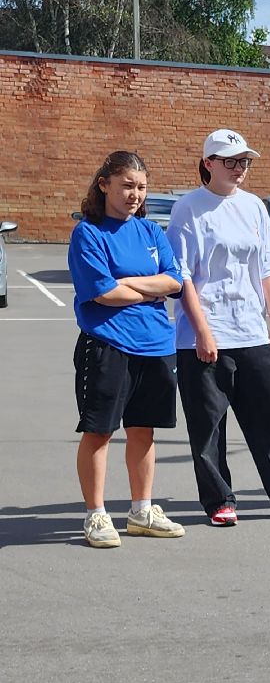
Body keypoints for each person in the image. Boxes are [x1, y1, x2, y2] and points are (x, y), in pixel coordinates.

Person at [167, 129, 270, 525]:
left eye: (244, 162)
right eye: (230, 162)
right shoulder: (188, 209)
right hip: (202, 337)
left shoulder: (255, 206)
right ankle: (219, 501)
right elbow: (183, 276)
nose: (239, 169)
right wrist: (203, 331)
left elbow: (266, 269)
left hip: (250, 332)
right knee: (208, 426)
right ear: (209, 164)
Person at [67, 151, 186, 548]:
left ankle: (141, 511)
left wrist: (129, 284)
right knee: (99, 432)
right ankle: (96, 515)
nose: (135, 194)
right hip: (108, 346)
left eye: (141, 187)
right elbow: (103, 293)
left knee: (143, 431)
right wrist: (144, 286)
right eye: (127, 186)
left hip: (155, 345)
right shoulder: (89, 233)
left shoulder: (152, 232)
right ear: (105, 185)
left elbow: (174, 281)